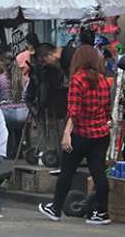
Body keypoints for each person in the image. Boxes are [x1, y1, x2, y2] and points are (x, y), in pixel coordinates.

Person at [39, 45, 113, 225]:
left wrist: (66, 133)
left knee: (67, 172)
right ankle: (102, 213)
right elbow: (106, 108)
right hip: (101, 135)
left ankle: (56, 208)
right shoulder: (103, 80)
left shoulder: (77, 80)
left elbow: (74, 111)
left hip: (80, 134)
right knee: (98, 173)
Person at [0, 52, 28, 157]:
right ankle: (20, 151)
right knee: (18, 126)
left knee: (6, 125)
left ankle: (8, 151)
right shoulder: (24, 78)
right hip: (23, 114)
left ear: (2, 65)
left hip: (7, 114)